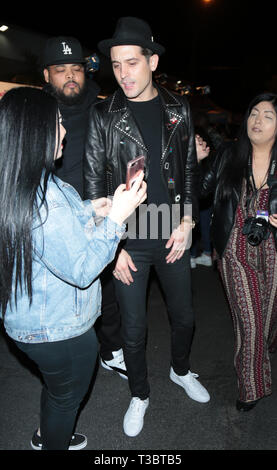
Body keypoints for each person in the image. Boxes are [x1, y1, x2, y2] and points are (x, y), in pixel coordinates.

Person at [84, 16, 210, 438]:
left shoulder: (178, 108)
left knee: (185, 317)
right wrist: (112, 248)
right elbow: (94, 188)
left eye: (132, 63)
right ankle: (139, 393)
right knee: (133, 330)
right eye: (116, 65)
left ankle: (180, 369)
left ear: (153, 61)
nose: (123, 74)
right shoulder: (104, 114)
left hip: (171, 228)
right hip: (127, 236)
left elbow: (189, 169)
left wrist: (189, 221)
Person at [0, 86, 146, 450]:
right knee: (66, 397)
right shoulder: (44, 196)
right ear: (35, 132)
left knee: (56, 389)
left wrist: (88, 209)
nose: (65, 131)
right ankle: (53, 440)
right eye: (58, 123)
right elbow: (82, 269)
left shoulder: (17, 178)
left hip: (28, 319)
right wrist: (116, 217)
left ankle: (47, 433)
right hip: (57, 329)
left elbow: (43, 228)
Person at [41, 36, 127, 380]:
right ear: (47, 76)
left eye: (76, 68)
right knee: (60, 295)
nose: (70, 76)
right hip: (54, 220)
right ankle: (64, 364)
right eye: (61, 70)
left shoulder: (103, 109)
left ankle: (111, 351)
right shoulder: (39, 114)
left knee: (109, 291)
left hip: (101, 213)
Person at [199, 92, 277, 411]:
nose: (257, 121)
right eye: (253, 113)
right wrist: (195, 161)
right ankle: (251, 386)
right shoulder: (230, 154)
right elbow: (199, 192)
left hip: (274, 251)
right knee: (251, 323)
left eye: (267, 116)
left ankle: (265, 350)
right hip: (234, 250)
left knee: (268, 321)